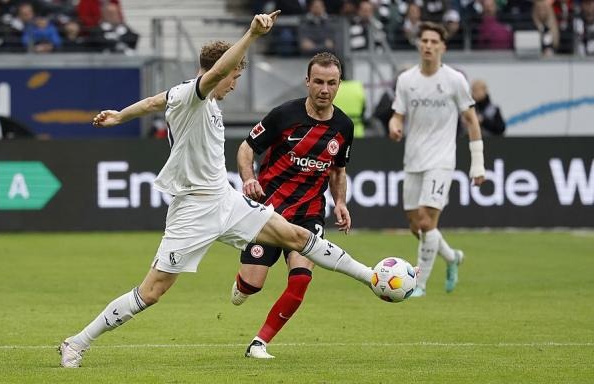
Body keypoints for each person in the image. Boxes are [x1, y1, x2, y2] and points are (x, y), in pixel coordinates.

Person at [59, 11, 376, 368]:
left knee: (297, 236)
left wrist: (119, 116)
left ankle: (373, 277)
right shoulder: (196, 95)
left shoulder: (190, 96)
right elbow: (213, 76)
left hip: (224, 199)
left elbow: (152, 103)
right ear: (221, 72)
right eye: (235, 75)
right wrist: (252, 34)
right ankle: (76, 341)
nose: (235, 84)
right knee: (152, 291)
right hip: (193, 210)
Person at [229, 52, 354, 359]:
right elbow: (246, 147)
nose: (325, 89)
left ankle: (259, 343)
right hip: (269, 213)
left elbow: (338, 170)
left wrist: (340, 202)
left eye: (332, 83)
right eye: (319, 82)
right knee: (252, 285)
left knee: (300, 279)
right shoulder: (284, 115)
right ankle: (242, 285)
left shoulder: (343, 126)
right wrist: (248, 178)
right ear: (307, 81)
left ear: (339, 85)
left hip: (309, 214)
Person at [388, 21, 485, 298]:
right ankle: (452, 256)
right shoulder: (406, 80)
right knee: (415, 226)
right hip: (413, 158)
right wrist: (394, 125)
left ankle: (419, 283)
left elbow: (471, 121)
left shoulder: (454, 79)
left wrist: (477, 164)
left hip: (442, 159)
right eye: (425, 40)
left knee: (426, 221)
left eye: (434, 41)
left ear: (442, 46)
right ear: (419, 44)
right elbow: (398, 114)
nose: (428, 45)